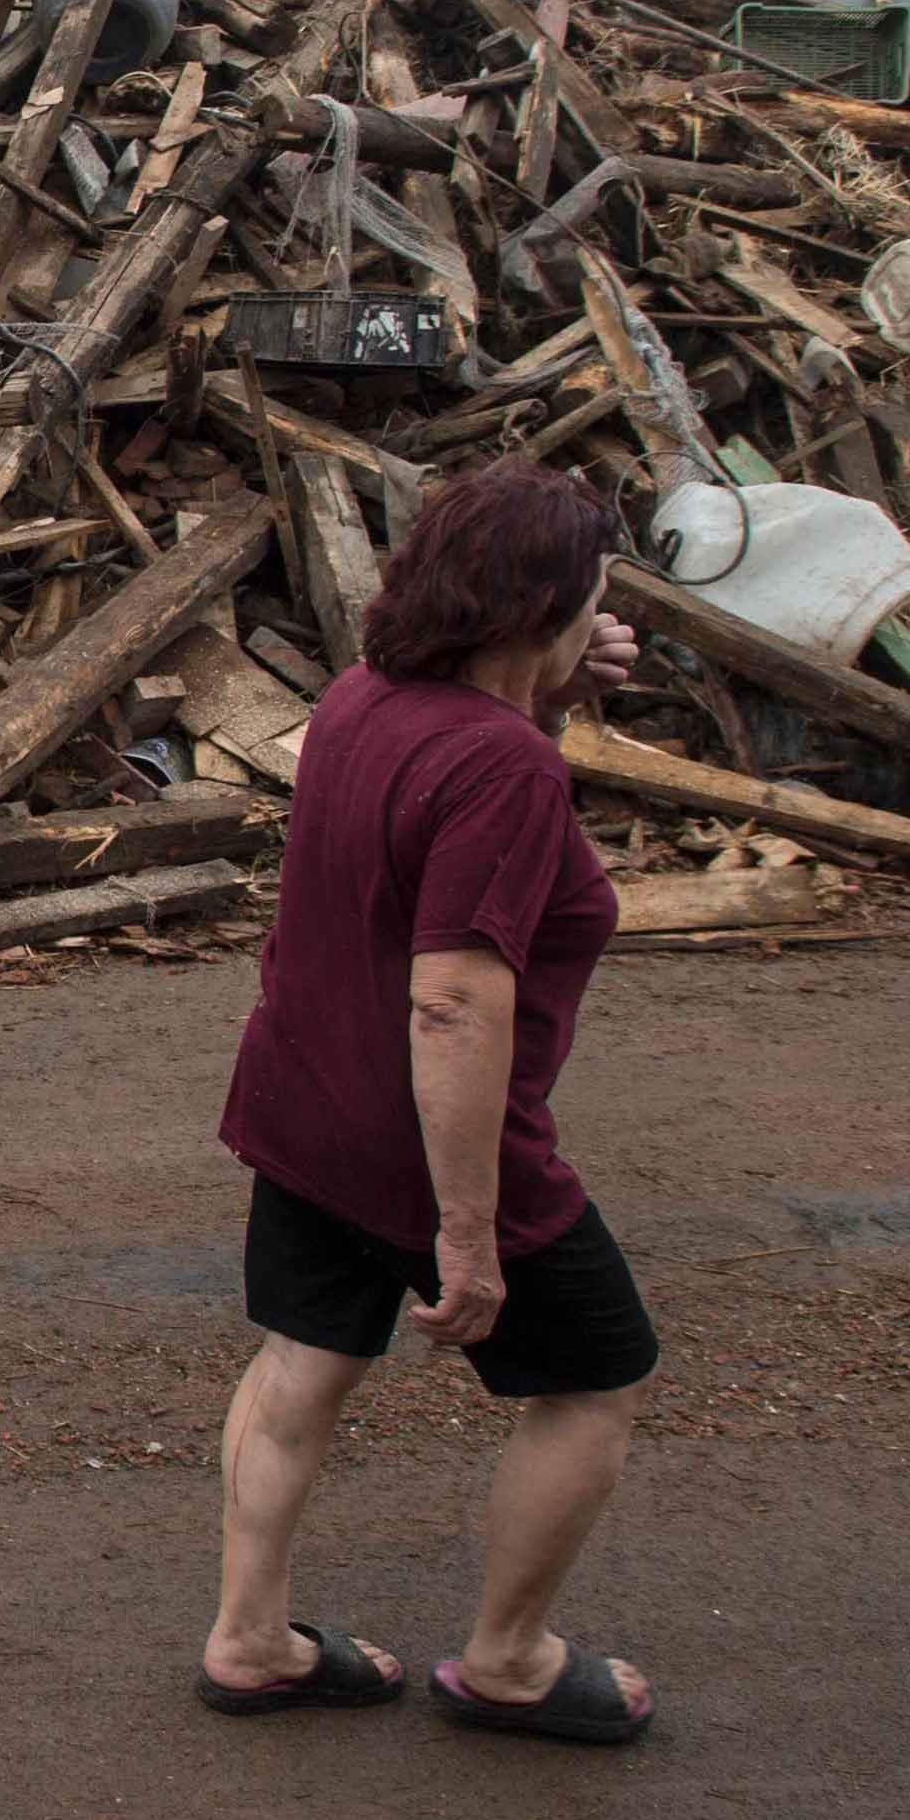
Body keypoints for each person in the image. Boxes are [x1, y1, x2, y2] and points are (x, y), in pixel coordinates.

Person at [193, 459, 662, 1745]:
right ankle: (510, 1658)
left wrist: (550, 696)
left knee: (301, 1359)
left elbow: (441, 809)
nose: (599, 619)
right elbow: (452, 998)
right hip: (427, 1137)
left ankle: (249, 1638)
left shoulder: (358, 698)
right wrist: (467, 1225)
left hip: (302, 1105)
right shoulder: (503, 767)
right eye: (591, 599)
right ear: (537, 611)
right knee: (592, 1379)